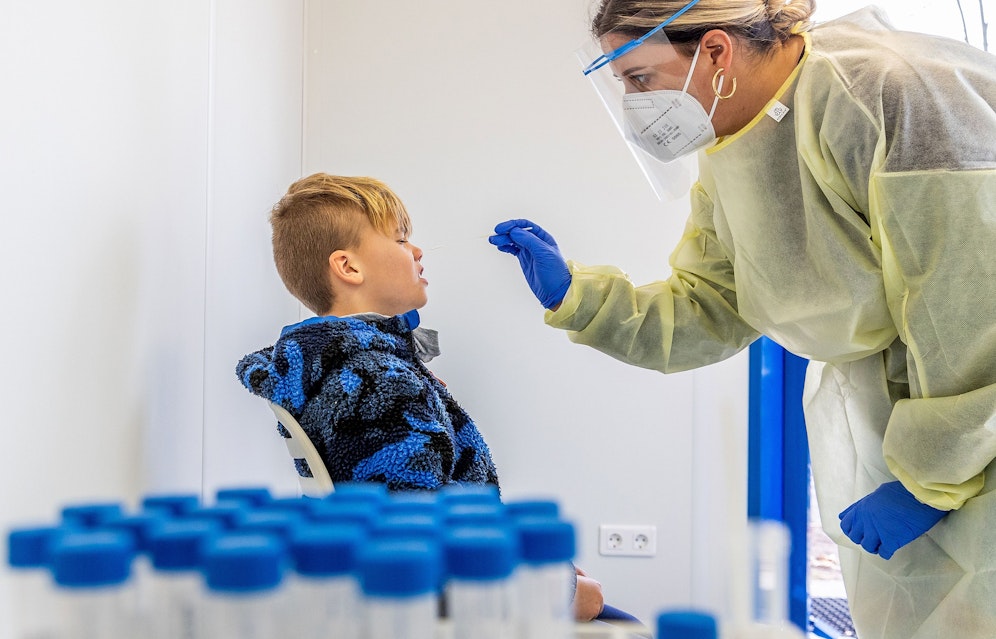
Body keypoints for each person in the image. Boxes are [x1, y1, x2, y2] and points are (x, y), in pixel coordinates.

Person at [488, 2, 996, 639]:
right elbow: (712, 303)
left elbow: (977, 313)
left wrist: (929, 476)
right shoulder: (735, 141)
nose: (635, 105)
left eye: (640, 78)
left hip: (977, 428)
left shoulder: (896, 92)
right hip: (917, 438)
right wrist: (580, 299)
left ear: (715, 51)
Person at [235, 173, 618, 624]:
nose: (417, 250)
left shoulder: (338, 368)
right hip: (452, 598)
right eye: (401, 239)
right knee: (613, 615)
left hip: (436, 581)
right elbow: (415, 540)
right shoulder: (376, 382)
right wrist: (554, 590)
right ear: (349, 267)